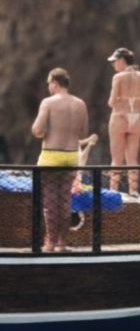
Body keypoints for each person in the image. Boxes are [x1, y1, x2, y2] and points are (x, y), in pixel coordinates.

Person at [31, 67, 91, 252]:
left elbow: (37, 130)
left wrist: (47, 130)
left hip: (51, 157)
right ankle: (62, 243)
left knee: (50, 203)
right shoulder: (80, 104)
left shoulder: (48, 103)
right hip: (71, 156)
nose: (48, 86)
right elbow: (84, 132)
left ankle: (49, 243)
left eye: (49, 83)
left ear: (55, 83)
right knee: (65, 201)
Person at [107, 47, 140, 197]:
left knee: (116, 159)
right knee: (132, 158)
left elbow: (111, 102)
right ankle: (133, 190)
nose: (113, 65)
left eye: (115, 61)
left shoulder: (118, 77)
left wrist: (120, 102)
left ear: (121, 60)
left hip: (119, 116)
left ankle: (113, 190)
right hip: (135, 117)